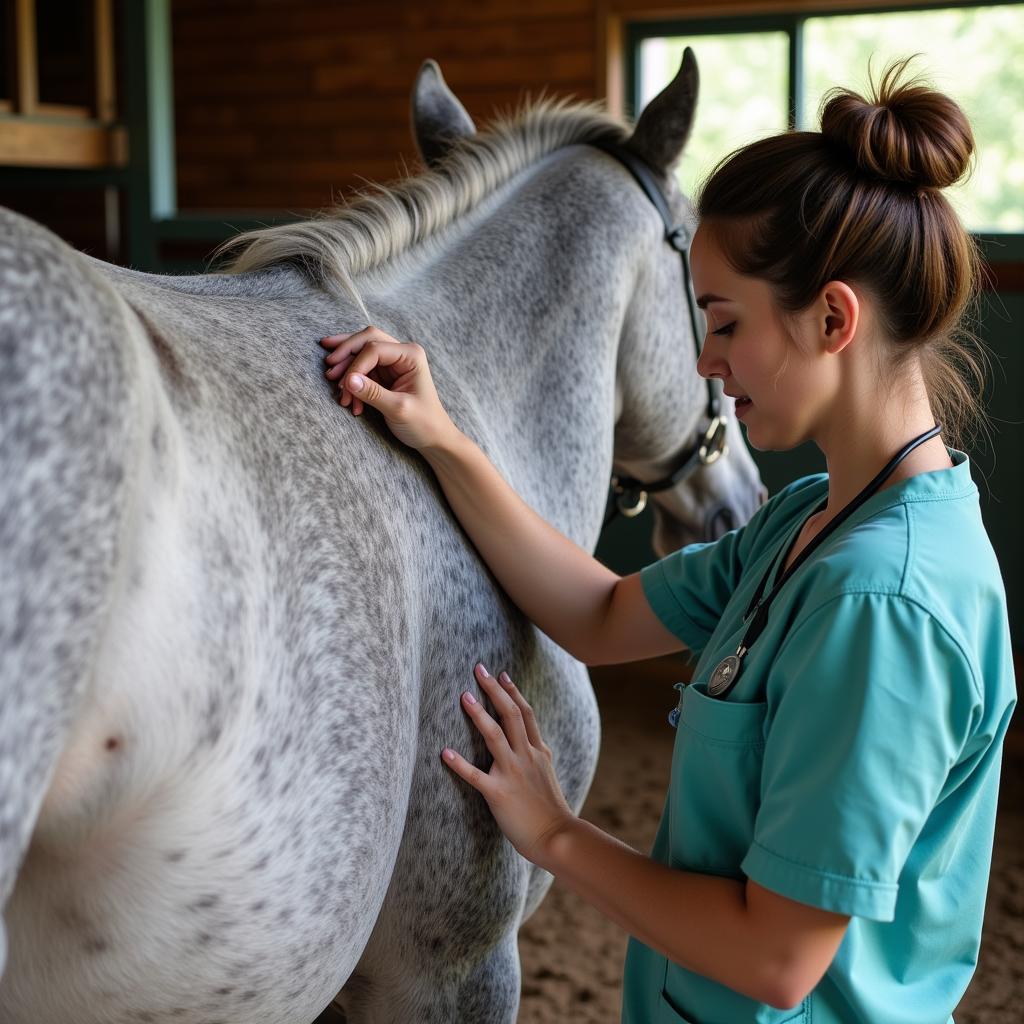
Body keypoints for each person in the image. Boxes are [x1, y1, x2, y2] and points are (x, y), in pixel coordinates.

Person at [319, 58, 1015, 1024]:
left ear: (832, 317)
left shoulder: (880, 605)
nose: (704, 359)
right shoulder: (811, 516)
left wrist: (556, 835)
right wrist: (443, 436)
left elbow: (776, 960)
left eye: (724, 322)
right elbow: (602, 614)